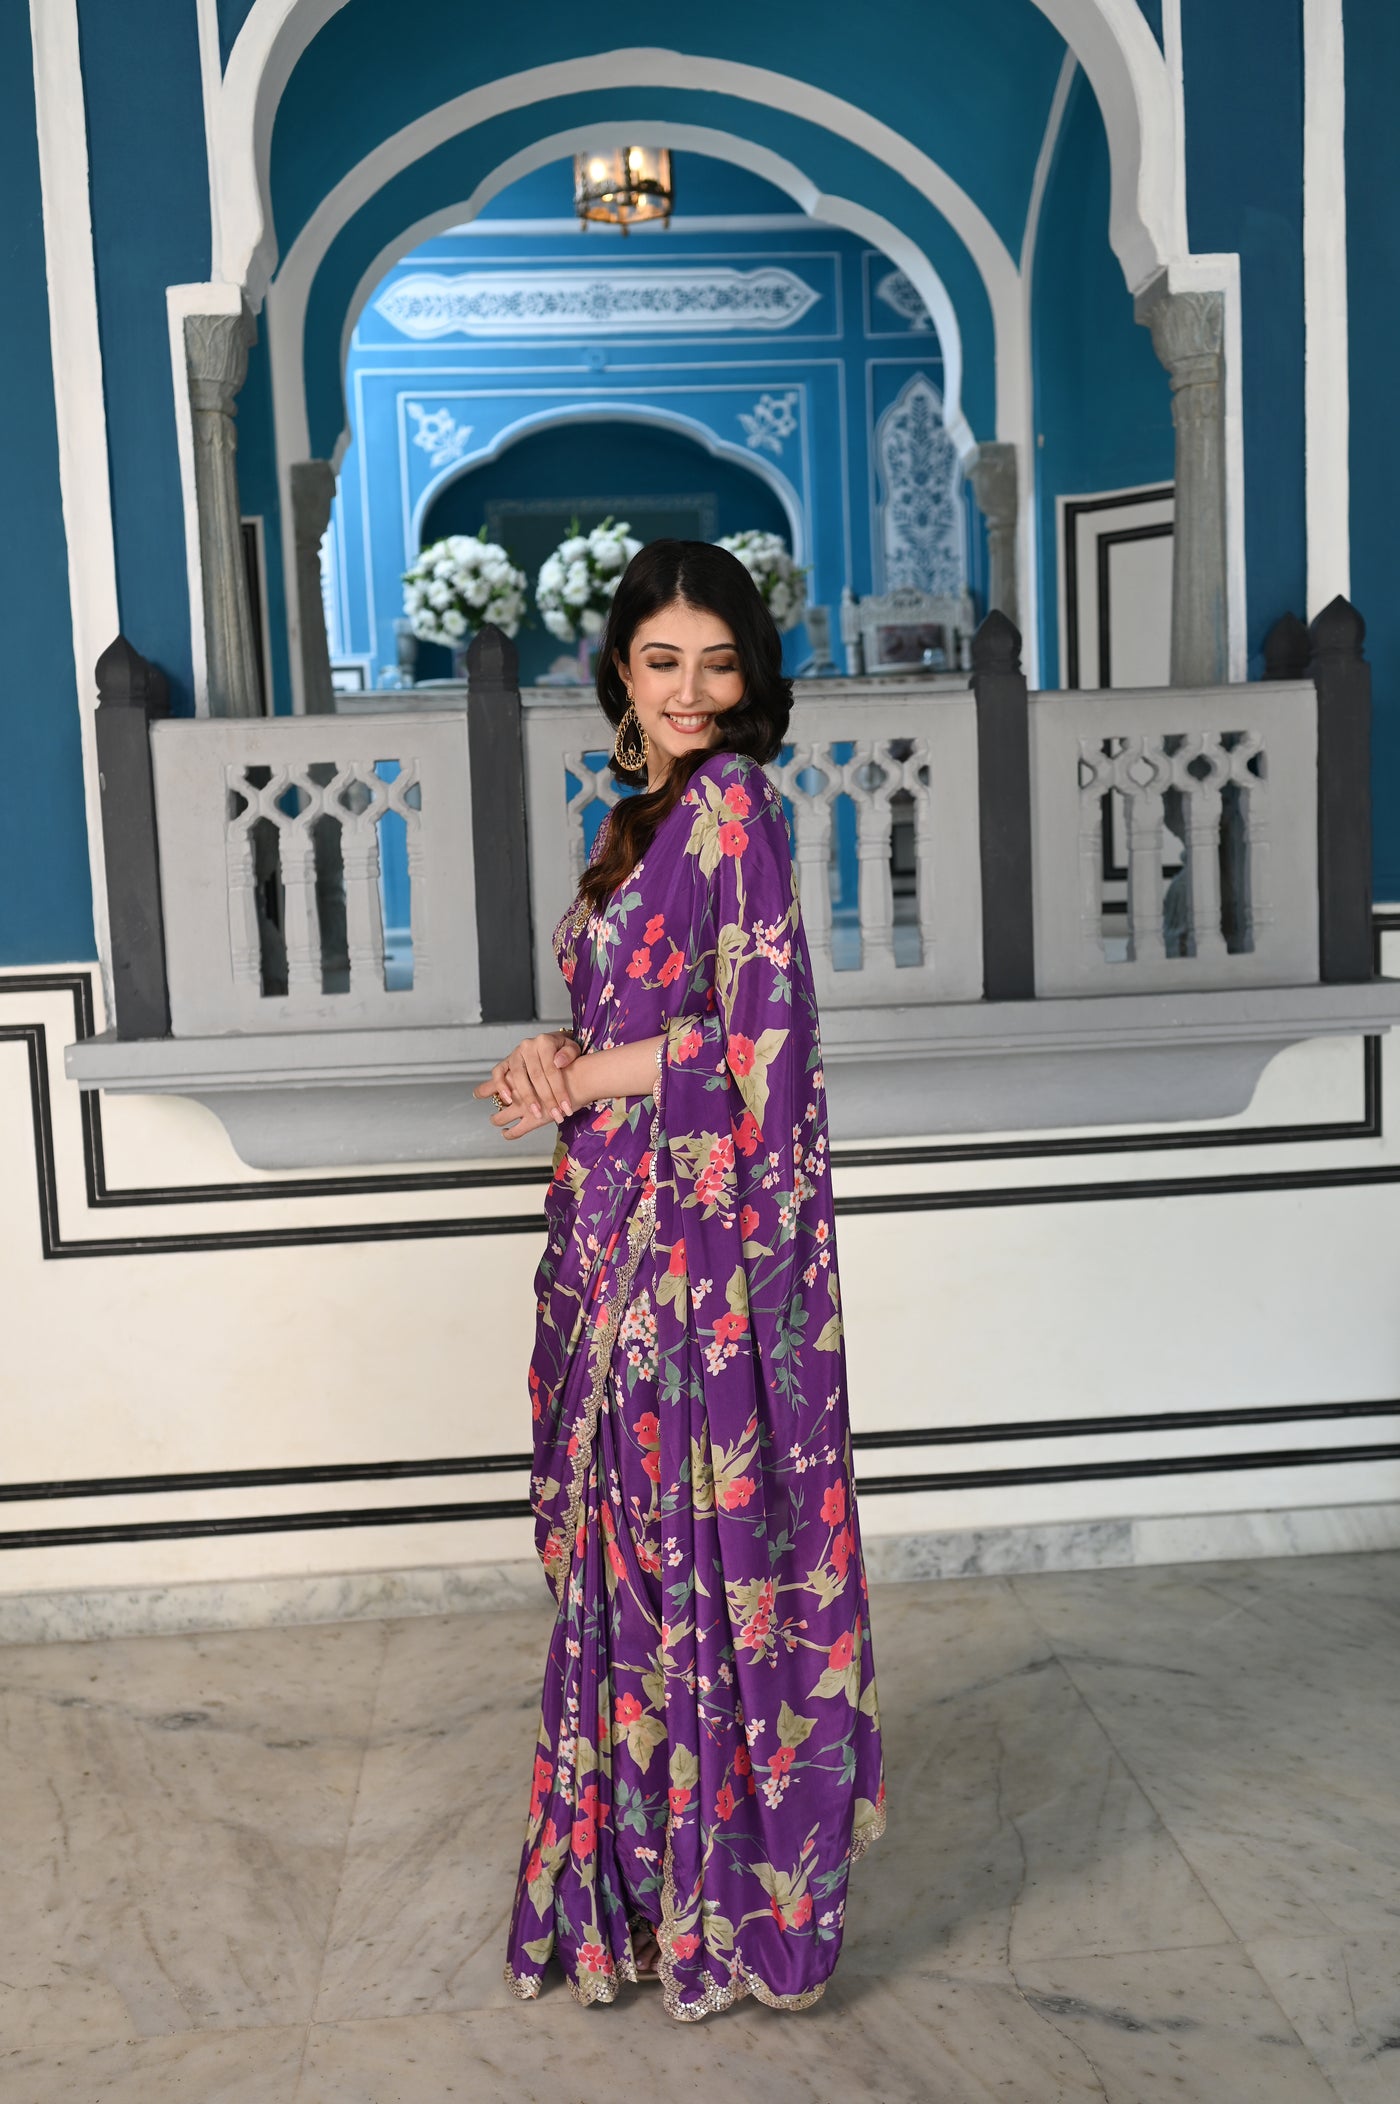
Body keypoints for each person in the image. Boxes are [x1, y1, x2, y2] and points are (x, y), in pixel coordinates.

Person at [476, 539, 885, 2023]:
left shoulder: (734, 803)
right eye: (665, 662)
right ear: (622, 673)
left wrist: (579, 1073)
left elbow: (761, 1035)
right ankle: (642, 1898)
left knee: (677, 1552)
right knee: (628, 1558)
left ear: (749, 674)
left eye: (718, 664)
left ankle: (708, 1904)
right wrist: (554, 1057)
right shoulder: (638, 819)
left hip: (683, 1257)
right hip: (610, 1223)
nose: (693, 691)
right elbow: (627, 1018)